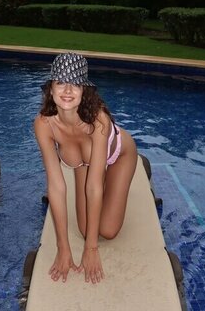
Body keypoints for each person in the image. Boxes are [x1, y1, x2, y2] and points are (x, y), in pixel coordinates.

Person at [34, 52, 138, 285]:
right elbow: (56, 187)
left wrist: (91, 249)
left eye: (75, 84)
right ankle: (109, 190)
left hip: (120, 155)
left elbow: (93, 186)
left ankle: (117, 184)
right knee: (85, 229)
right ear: (51, 89)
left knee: (107, 231)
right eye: (61, 82)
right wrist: (63, 248)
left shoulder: (97, 120)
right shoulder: (43, 124)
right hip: (85, 164)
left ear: (84, 91)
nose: (68, 90)